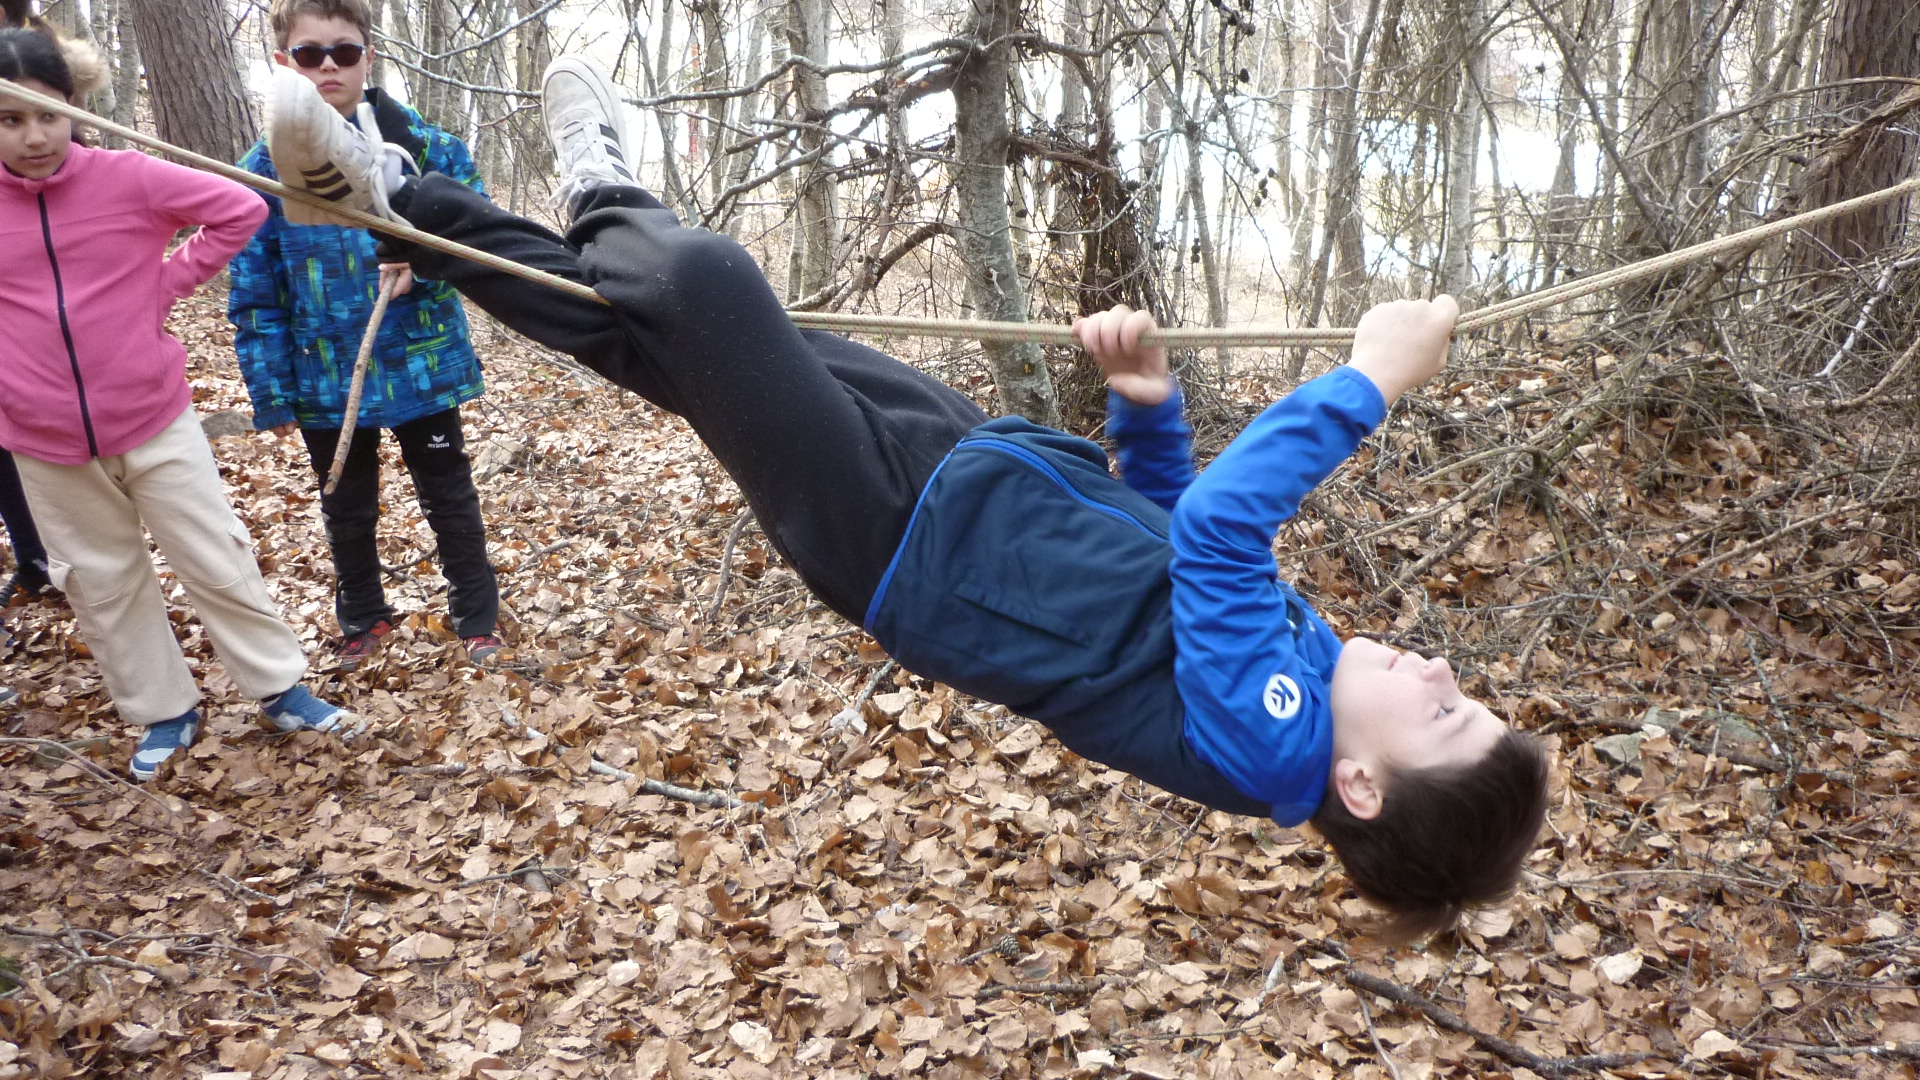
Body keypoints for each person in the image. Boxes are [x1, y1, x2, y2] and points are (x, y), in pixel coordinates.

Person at [267, 56, 1549, 941]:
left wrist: (1369, 382)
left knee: (704, 287)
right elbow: (1173, 544)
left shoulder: (1273, 738)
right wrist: (1150, 410)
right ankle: (401, 205)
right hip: (965, 470)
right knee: (654, 334)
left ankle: (572, 190)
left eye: (1445, 713)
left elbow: (1223, 537)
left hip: (895, 536)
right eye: (1463, 690)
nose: (1442, 670)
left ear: (1362, 788)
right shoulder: (1304, 684)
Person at [0, 30, 359, 781]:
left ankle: (280, 688)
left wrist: (164, 284)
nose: (34, 137)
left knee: (214, 553)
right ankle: (164, 710)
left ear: (75, 108)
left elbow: (239, 209)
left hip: (153, 415)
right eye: (9, 119)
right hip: (40, 436)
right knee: (100, 580)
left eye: (49, 114)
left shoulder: (127, 177)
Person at [230, 0, 504, 670]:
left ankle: (477, 617)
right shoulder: (260, 171)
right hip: (326, 373)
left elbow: (483, 244)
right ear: (284, 63)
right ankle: (363, 618)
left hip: (423, 363)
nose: (328, 67)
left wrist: (425, 263)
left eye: (344, 51)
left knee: (449, 493)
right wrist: (271, 390)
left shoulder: (430, 150)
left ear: (368, 57)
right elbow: (255, 290)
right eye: (309, 54)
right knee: (345, 504)